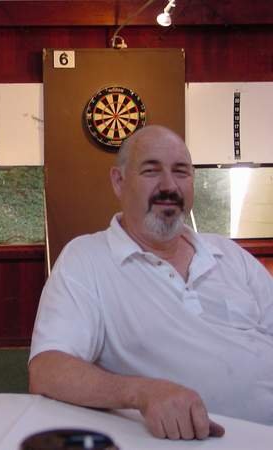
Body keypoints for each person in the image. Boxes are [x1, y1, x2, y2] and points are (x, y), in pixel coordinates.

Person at [29, 125, 273, 440]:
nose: (169, 186)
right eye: (151, 171)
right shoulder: (87, 260)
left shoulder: (228, 254)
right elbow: (47, 370)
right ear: (119, 181)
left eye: (181, 171)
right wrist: (142, 392)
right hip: (200, 440)